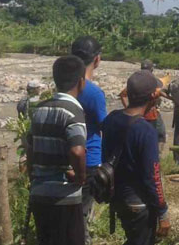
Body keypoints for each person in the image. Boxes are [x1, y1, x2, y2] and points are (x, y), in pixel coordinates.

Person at [102, 70, 170, 245]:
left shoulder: (112, 119)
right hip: (139, 203)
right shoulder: (146, 131)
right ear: (153, 96)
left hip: (118, 197)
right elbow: (152, 177)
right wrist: (162, 211)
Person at [26, 55, 87, 245]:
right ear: (81, 82)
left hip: (40, 193)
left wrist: (34, 176)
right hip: (64, 196)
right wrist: (81, 177)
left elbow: (30, 148)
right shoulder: (73, 112)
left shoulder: (39, 110)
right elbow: (77, 151)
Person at [71, 36, 108, 245]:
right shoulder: (93, 93)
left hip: (67, 155)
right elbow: (104, 125)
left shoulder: (64, 86)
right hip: (90, 158)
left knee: (72, 213)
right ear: (97, 59)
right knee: (83, 215)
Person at [120, 60, 167, 152]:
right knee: (159, 135)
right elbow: (159, 93)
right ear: (152, 69)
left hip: (135, 114)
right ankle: (157, 155)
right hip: (151, 114)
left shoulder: (136, 80)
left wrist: (127, 108)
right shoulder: (154, 81)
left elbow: (122, 95)